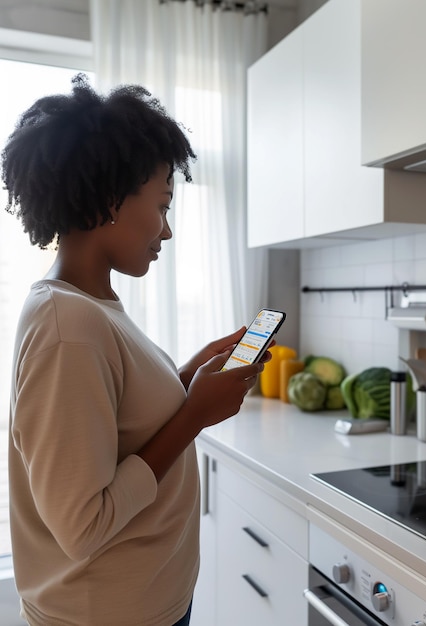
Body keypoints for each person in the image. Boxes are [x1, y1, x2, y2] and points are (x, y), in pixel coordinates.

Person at [2, 74, 270, 626]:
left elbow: (116, 424)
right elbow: (83, 526)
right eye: (162, 204)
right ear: (108, 200)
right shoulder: (68, 325)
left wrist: (189, 374)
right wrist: (194, 413)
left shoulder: (90, 308)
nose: (166, 231)